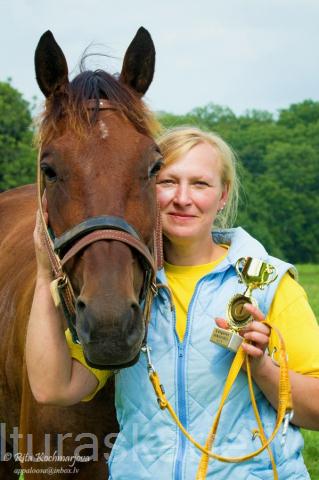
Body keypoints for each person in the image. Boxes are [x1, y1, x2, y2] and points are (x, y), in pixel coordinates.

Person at [27, 126, 319, 479]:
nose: (183, 198)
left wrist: (264, 370)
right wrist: (45, 276)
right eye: (167, 182)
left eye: (200, 184)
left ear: (222, 196)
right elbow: (53, 388)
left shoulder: (269, 283)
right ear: (145, 191)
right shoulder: (126, 292)